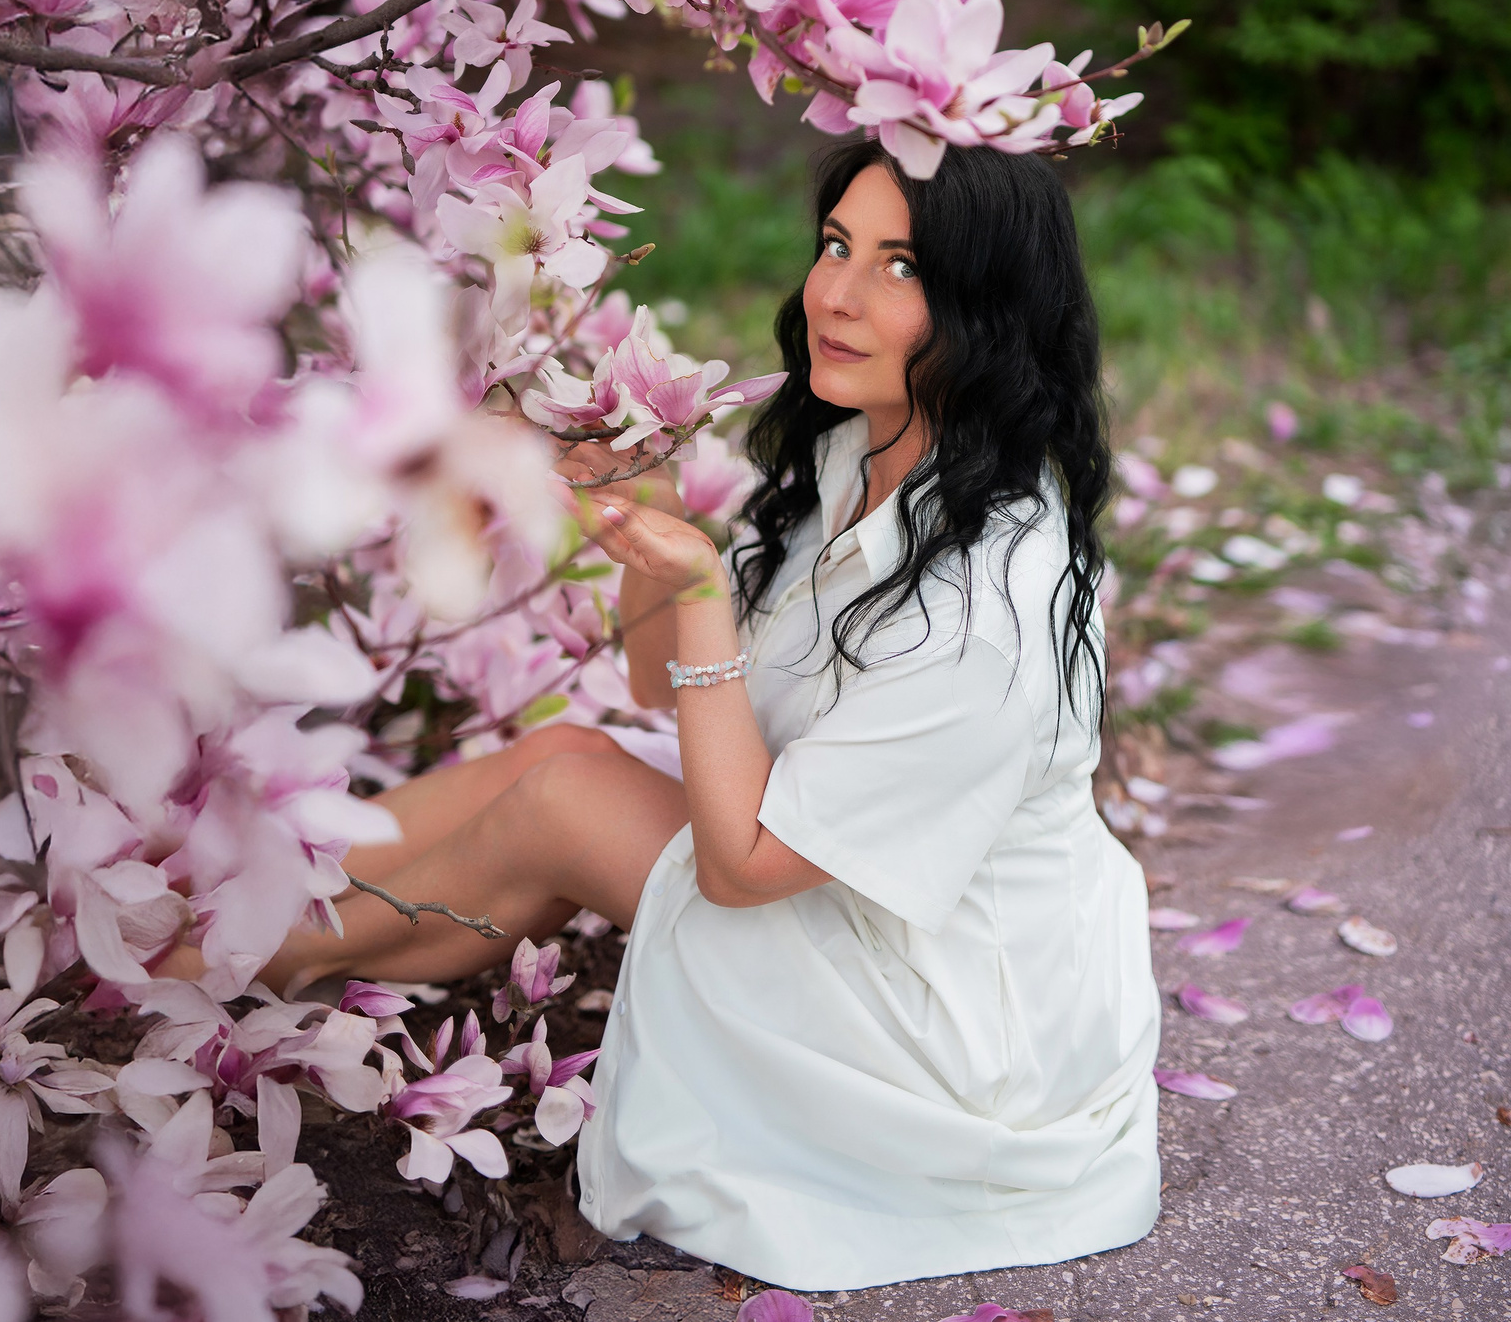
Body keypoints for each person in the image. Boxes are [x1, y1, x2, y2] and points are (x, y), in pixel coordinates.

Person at [251, 140, 1161, 1290]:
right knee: (561, 760)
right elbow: (652, 684)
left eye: (897, 267)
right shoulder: (861, 458)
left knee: (564, 794)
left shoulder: (986, 607)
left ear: (985, 308)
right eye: (836, 245)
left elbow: (740, 866)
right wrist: (650, 509)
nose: (834, 292)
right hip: (843, 877)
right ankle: (249, 920)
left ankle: (220, 962)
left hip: (951, 1019)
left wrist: (696, 593)